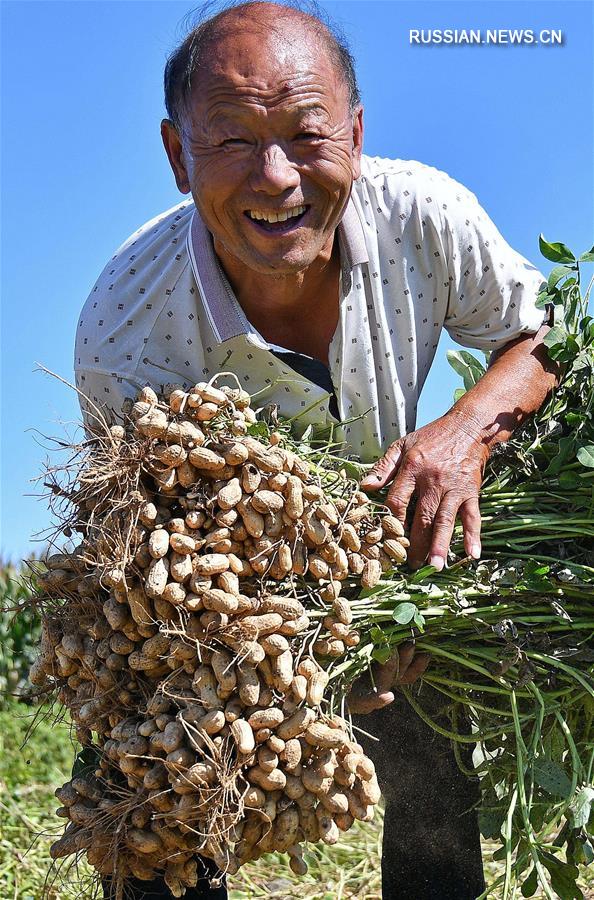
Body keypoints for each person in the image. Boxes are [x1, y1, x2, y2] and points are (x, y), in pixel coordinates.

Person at [74, 2, 559, 897]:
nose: (277, 177)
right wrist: (305, 657)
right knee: (146, 782)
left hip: (406, 557)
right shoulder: (126, 331)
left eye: (306, 134)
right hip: (247, 604)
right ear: (179, 157)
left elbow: (545, 337)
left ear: (357, 133)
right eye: (230, 141)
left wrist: (463, 435)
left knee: (433, 756)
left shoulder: (422, 214)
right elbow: (159, 565)